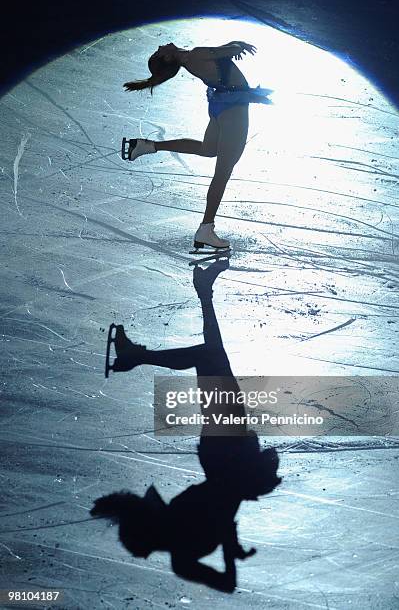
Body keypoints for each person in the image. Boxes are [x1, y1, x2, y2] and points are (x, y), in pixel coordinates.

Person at [92, 260, 281, 592]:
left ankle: (141, 349)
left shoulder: (182, 555)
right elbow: (225, 574)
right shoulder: (178, 537)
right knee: (213, 358)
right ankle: (194, 300)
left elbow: (226, 581)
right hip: (224, 456)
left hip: (228, 456)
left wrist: (229, 544)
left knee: (211, 358)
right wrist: (229, 540)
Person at [121, 41, 272, 251]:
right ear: (167, 58)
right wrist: (239, 46)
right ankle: (206, 228)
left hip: (221, 105)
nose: (160, 46)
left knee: (208, 150)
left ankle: (149, 146)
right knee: (223, 171)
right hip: (232, 110)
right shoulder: (195, 56)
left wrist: (231, 50)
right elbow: (231, 50)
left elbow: (224, 52)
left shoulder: (193, 57)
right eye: (159, 51)